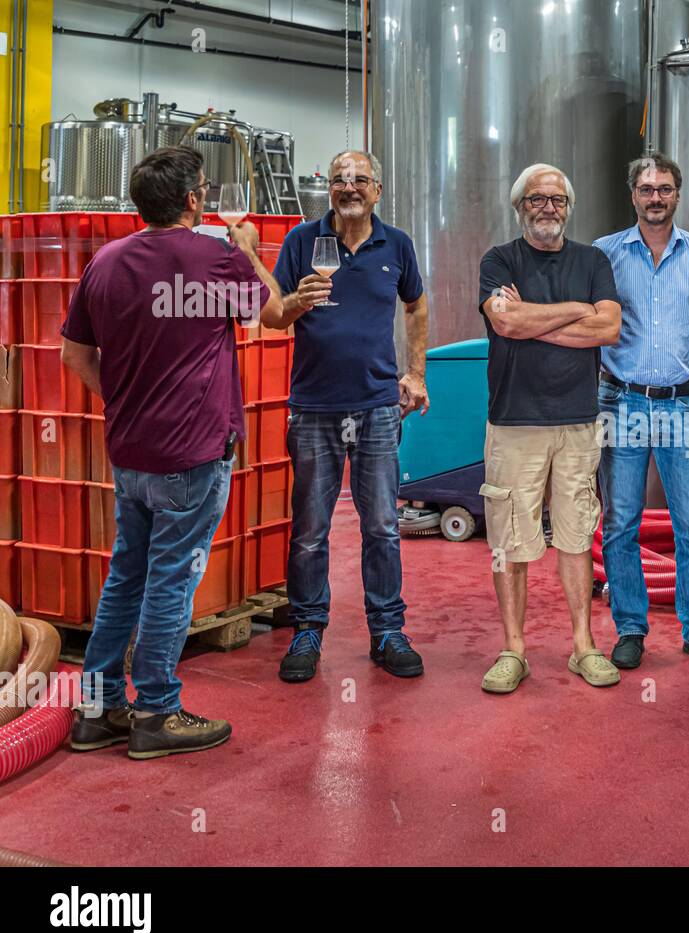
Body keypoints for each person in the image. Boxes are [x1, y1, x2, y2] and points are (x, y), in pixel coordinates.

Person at [63, 146, 282, 759]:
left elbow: (74, 356)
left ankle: (97, 710)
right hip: (190, 452)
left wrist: (127, 398)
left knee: (126, 575)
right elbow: (275, 315)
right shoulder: (215, 257)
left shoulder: (104, 263)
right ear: (192, 200)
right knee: (171, 582)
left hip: (129, 452)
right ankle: (157, 711)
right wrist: (250, 253)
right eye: (204, 188)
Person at [270, 150, 430, 683]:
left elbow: (416, 305)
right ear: (329, 190)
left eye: (359, 179)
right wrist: (298, 300)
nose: (349, 187)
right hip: (314, 406)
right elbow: (272, 317)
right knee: (311, 529)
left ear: (377, 190)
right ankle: (308, 629)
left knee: (382, 525)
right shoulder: (301, 242)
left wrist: (416, 373)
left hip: (378, 406)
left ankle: (386, 630)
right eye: (339, 179)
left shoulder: (397, 244)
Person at [477, 164, 623, 693]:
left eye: (557, 200)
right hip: (514, 422)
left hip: (579, 422)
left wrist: (535, 320)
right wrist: (573, 313)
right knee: (509, 541)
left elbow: (608, 327)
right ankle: (513, 649)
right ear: (520, 207)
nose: (548, 208)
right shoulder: (498, 260)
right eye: (537, 200)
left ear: (568, 207)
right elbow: (505, 322)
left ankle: (583, 646)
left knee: (576, 537)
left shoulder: (592, 260)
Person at [592, 152, 689, 671]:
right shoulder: (604, 254)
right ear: (633, 194)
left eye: (665, 188)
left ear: (677, 195)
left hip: (680, 403)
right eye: (647, 188)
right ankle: (630, 627)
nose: (656, 197)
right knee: (621, 523)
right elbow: (585, 323)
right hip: (620, 400)